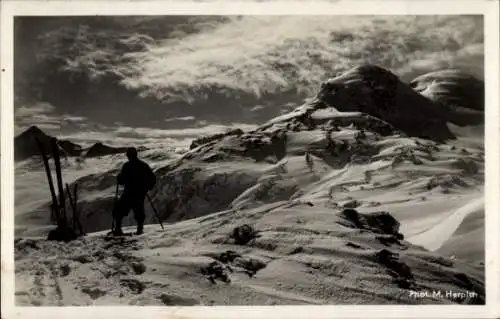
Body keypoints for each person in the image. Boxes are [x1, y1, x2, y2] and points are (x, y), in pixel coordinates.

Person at [112, 147, 156, 236]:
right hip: (139, 193)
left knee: (119, 208)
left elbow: (122, 181)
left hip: (129, 192)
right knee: (139, 210)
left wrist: (119, 178)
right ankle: (139, 229)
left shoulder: (127, 166)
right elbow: (152, 178)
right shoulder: (143, 165)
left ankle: (118, 228)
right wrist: (147, 187)